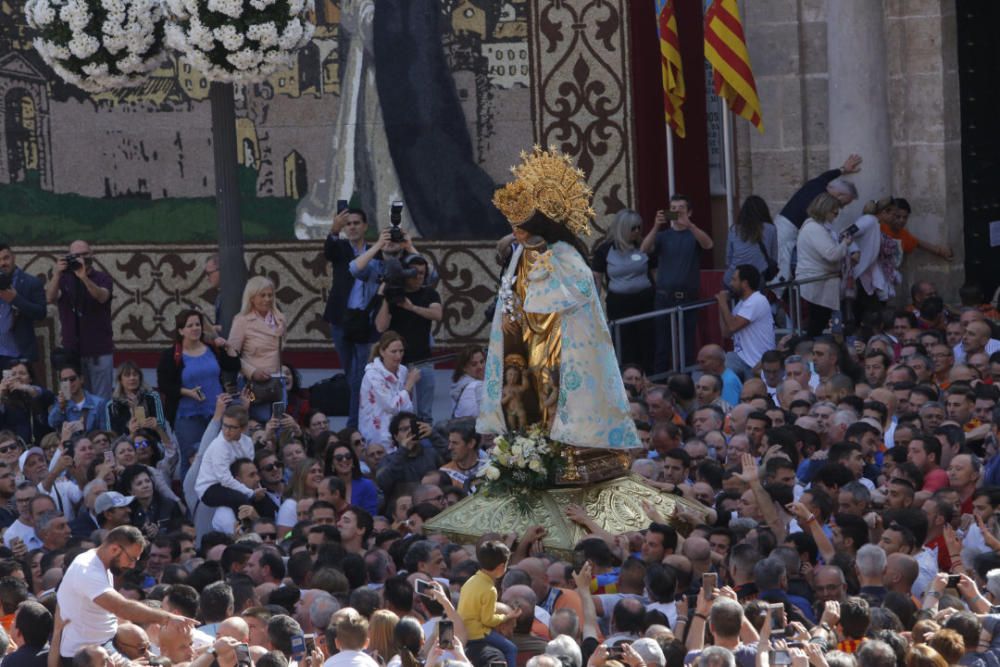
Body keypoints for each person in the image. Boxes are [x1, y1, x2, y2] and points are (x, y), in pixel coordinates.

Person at [481, 146, 639, 449]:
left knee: (555, 395)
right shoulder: (519, 256)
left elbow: (577, 295)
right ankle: (530, 444)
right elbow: (508, 295)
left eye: (520, 224)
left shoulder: (565, 255)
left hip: (560, 343)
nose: (515, 231)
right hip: (525, 342)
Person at [55, 526, 194, 661]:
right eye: (131, 558)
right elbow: (121, 608)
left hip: (107, 645)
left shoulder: (102, 563)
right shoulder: (87, 570)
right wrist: (167, 618)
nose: (132, 565)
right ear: (115, 549)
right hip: (86, 657)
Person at [157, 309, 240, 478]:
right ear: (181, 331)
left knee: (221, 457)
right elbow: (164, 385)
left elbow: (233, 365)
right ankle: (191, 499)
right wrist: (187, 392)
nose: (195, 328)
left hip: (216, 413)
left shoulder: (212, 350)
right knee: (192, 459)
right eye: (190, 325)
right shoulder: (172, 355)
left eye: (197, 324)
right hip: (188, 416)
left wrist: (227, 346)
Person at [641, 194, 714, 373]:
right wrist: (656, 226)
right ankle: (661, 383)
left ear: (689, 212)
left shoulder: (693, 233)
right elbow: (644, 249)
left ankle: (686, 382)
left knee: (687, 344)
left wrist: (690, 225)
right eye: (673, 209)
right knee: (662, 345)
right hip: (664, 297)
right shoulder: (663, 236)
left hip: (688, 297)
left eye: (681, 208)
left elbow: (708, 245)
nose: (677, 212)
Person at [324, 207, 381, 428]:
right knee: (351, 374)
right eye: (349, 224)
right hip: (341, 319)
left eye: (356, 223)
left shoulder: (375, 250)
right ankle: (361, 415)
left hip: (366, 320)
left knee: (360, 376)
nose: (353, 227)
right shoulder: (340, 247)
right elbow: (328, 251)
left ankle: (354, 424)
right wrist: (334, 230)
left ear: (365, 226)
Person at [373, 253, 442, 420]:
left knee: (425, 412)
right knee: (402, 410)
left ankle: (425, 443)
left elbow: (437, 314)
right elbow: (380, 326)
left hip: (423, 359)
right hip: (398, 363)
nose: (419, 276)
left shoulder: (429, 294)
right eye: (414, 272)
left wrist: (412, 308)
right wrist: (385, 297)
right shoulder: (394, 295)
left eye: (422, 273)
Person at [773, 154, 861, 283]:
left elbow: (826, 176)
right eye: (843, 204)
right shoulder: (821, 200)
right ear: (840, 196)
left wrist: (843, 169)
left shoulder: (818, 184)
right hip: (786, 230)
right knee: (782, 269)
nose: (840, 208)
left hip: (785, 226)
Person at [45, 240, 114, 399]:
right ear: (69, 257)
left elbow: (102, 297)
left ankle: (100, 425)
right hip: (72, 351)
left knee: (101, 400)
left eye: (85, 254)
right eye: (76, 256)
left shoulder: (103, 278)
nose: (81, 258)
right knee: (73, 398)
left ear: (92, 255)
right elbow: (50, 298)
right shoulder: (64, 279)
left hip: (99, 351)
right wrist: (57, 274)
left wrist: (83, 277)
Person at [592, 209, 656, 372]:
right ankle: (627, 377)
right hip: (619, 304)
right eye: (633, 228)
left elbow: (656, 273)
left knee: (647, 340)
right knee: (624, 342)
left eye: (639, 228)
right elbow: (597, 279)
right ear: (623, 228)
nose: (637, 232)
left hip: (645, 301)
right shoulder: (605, 250)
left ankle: (648, 375)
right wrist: (594, 305)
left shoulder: (644, 246)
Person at [228, 276, 286, 424]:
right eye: (262, 295)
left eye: (270, 295)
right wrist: (252, 372)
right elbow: (230, 355)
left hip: (278, 383)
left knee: (279, 424)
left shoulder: (279, 319)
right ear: (252, 298)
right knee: (260, 424)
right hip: (254, 385)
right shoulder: (242, 321)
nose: (267, 299)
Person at [796, 193, 853, 337]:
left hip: (821, 284)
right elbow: (832, 254)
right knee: (815, 327)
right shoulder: (814, 228)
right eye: (834, 210)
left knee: (819, 326)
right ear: (825, 209)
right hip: (815, 285)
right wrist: (845, 244)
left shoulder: (819, 228)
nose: (836, 214)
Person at [458, 540, 519, 667]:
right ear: (501, 567)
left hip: (462, 629)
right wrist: (507, 616)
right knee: (511, 648)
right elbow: (488, 620)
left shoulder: (471, 580)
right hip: (477, 633)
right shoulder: (490, 590)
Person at [359, 332, 418, 449]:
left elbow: (407, 405)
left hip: (399, 430)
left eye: (401, 351)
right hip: (378, 433)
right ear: (382, 351)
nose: (398, 356)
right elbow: (391, 406)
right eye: (394, 352)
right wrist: (409, 384)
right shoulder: (372, 375)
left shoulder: (402, 371)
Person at [717, 265, 775, 380]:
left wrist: (723, 302)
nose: (730, 283)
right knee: (723, 372)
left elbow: (733, 326)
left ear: (745, 283)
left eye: (734, 280)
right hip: (740, 358)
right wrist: (721, 306)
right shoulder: (741, 304)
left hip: (757, 362)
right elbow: (726, 333)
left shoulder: (757, 300)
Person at [0, 243, 46, 366]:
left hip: (19, 355)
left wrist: (15, 299)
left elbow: (41, 313)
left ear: (13, 257)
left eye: (6, 258)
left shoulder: (31, 282)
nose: (2, 263)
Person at [724, 195, 778, 288]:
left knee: (734, 302)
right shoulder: (770, 229)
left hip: (733, 279)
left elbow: (728, 258)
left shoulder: (734, 229)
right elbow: (774, 257)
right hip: (757, 279)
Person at [104, 361, 167, 437]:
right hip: (124, 445)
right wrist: (130, 431)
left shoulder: (152, 396)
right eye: (127, 375)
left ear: (140, 377)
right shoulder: (111, 405)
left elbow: (162, 427)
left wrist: (156, 425)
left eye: (135, 374)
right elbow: (112, 436)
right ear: (120, 380)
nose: (132, 378)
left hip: (151, 442)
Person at [884, 198, 954, 263]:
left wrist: (941, 251)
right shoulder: (879, 228)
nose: (902, 220)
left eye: (905, 217)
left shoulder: (903, 235)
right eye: (898, 217)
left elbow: (918, 243)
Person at [0, 361, 54, 445]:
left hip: (40, 448)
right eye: (13, 374)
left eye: (22, 373)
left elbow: (49, 396)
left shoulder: (38, 395)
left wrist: (25, 388)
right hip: (13, 451)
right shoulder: (4, 401)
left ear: (30, 378)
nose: (17, 377)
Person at [47, 363, 105, 433]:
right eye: (64, 380)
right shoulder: (60, 402)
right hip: (69, 442)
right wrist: (61, 408)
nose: (69, 383)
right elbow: (52, 423)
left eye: (72, 379)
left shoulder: (99, 403)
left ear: (81, 379)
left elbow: (104, 431)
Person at [450, 345, 485, 420]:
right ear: (464, 368)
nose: (480, 367)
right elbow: (486, 415)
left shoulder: (459, 383)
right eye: (474, 364)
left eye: (482, 362)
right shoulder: (476, 385)